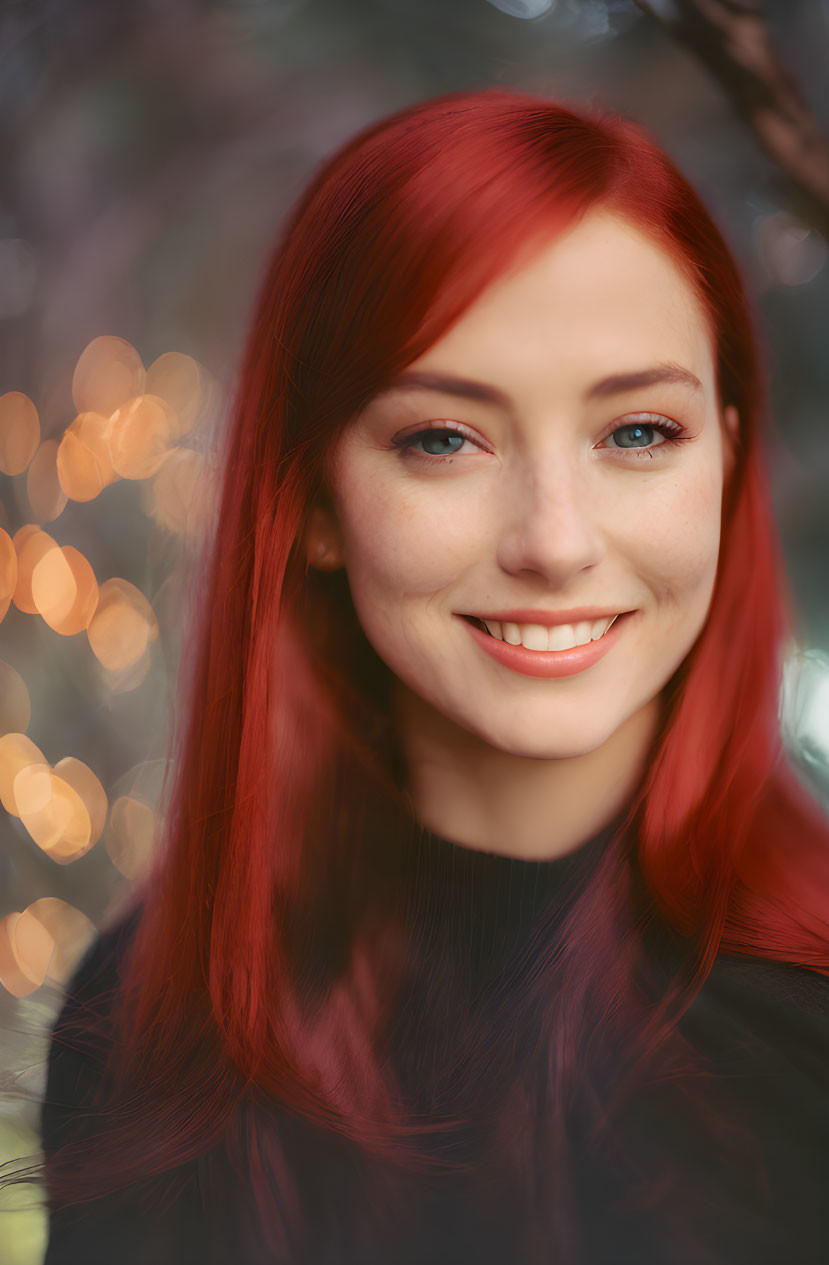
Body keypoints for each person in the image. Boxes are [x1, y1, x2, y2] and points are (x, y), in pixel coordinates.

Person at [12, 87, 829, 1265]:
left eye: (637, 432)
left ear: (727, 464)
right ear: (316, 502)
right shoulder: (148, 1025)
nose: (552, 541)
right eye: (442, 438)